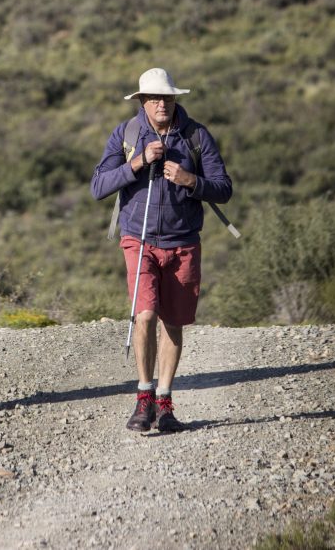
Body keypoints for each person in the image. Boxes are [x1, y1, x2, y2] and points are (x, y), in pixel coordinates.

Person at [91, 68, 232, 433]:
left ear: (175, 100)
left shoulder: (197, 135)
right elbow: (98, 186)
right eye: (153, 98)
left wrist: (190, 181)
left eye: (166, 97)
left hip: (183, 241)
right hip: (137, 239)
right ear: (141, 102)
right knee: (145, 315)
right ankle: (144, 397)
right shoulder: (127, 135)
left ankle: (165, 403)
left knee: (173, 321)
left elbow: (223, 188)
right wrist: (137, 163)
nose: (160, 103)